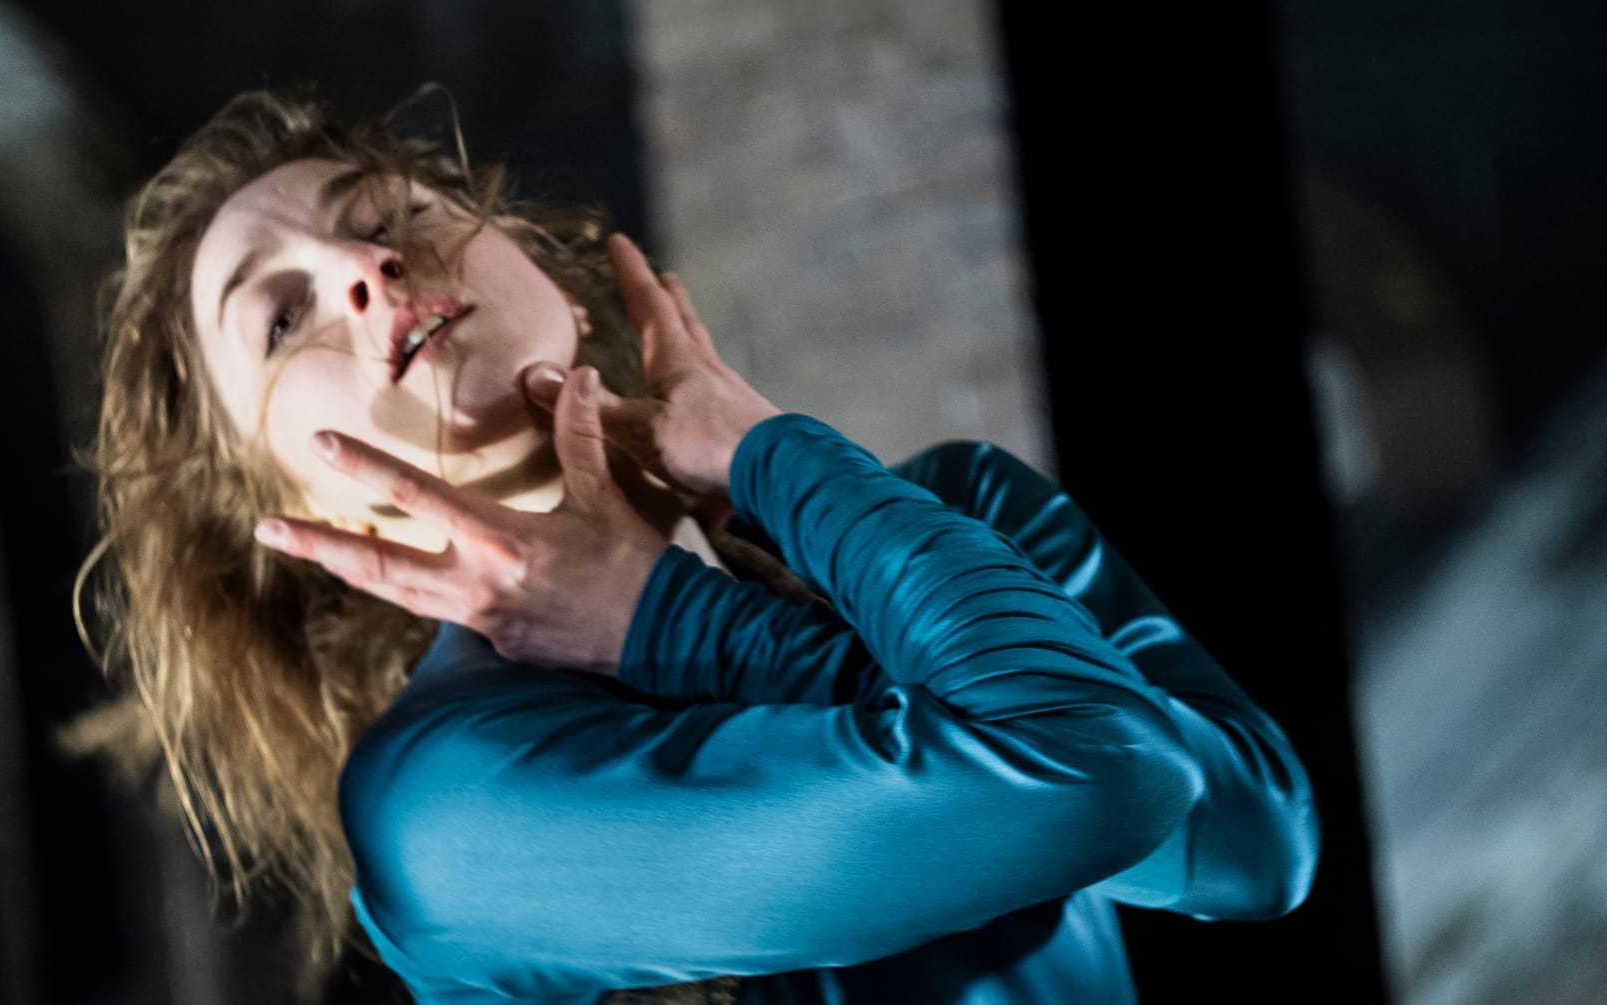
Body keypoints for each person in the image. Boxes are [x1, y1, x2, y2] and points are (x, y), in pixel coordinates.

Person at [71, 88, 1319, 1005]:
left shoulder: (962, 510)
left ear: (547, 274)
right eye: (280, 318)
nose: (364, 264)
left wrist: (765, 475)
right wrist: (674, 623)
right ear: (308, 515)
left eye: (391, 211)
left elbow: (1259, 848)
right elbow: (1106, 769)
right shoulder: (452, 808)